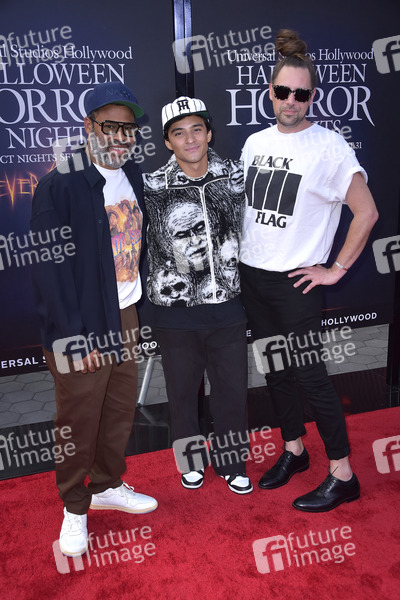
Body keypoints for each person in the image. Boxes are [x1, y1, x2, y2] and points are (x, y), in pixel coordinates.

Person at [239, 30, 378, 512]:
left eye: (301, 94)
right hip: (253, 277)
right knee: (274, 370)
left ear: (312, 97)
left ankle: (343, 474)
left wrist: (335, 269)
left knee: (311, 376)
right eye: (283, 91)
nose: (291, 101)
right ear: (270, 93)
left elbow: (367, 213)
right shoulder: (254, 142)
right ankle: (294, 449)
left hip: (296, 283)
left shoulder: (330, 147)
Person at [30, 81, 158, 557]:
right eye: (111, 127)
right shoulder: (59, 184)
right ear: (89, 126)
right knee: (79, 420)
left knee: (119, 411)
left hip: (124, 314)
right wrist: (74, 338)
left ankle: (106, 485)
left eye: (129, 128)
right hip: (82, 326)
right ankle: (74, 507)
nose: (122, 137)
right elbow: (49, 273)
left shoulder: (133, 175)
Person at [143, 97, 253, 494]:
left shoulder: (235, 176)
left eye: (196, 130)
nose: (189, 139)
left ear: (209, 133)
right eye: (179, 133)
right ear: (167, 141)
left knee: (232, 392)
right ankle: (190, 462)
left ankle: (232, 462)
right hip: (175, 313)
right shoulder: (151, 186)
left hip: (227, 306)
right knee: (182, 393)